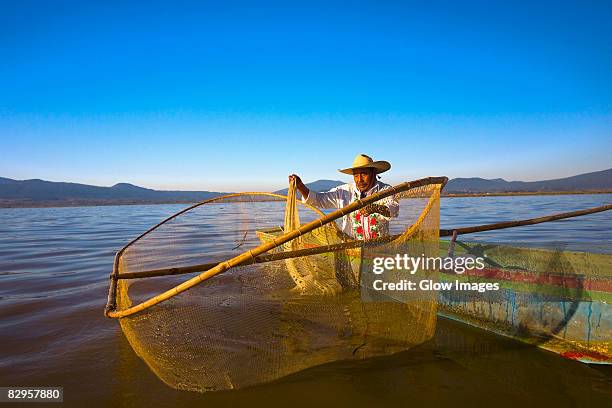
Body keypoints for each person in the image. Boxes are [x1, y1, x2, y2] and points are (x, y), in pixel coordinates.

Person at [289, 154, 399, 240]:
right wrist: (300, 186)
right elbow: (319, 200)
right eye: (356, 175)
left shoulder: (385, 190)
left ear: (373, 173)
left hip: (379, 248)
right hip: (351, 247)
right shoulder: (345, 191)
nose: (359, 179)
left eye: (364, 174)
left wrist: (377, 208)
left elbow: (393, 210)